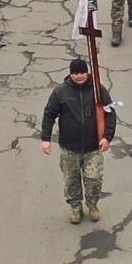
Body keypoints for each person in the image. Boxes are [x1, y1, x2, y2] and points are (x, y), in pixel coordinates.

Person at [40, 58, 114, 224]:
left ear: (87, 72)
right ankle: (75, 207)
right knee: (71, 180)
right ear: (70, 74)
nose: (79, 76)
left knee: (94, 178)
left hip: (93, 147)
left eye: (82, 73)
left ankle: (92, 205)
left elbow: (110, 112)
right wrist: (46, 139)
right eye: (75, 73)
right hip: (69, 148)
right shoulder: (61, 92)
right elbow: (49, 114)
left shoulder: (98, 90)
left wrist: (107, 137)